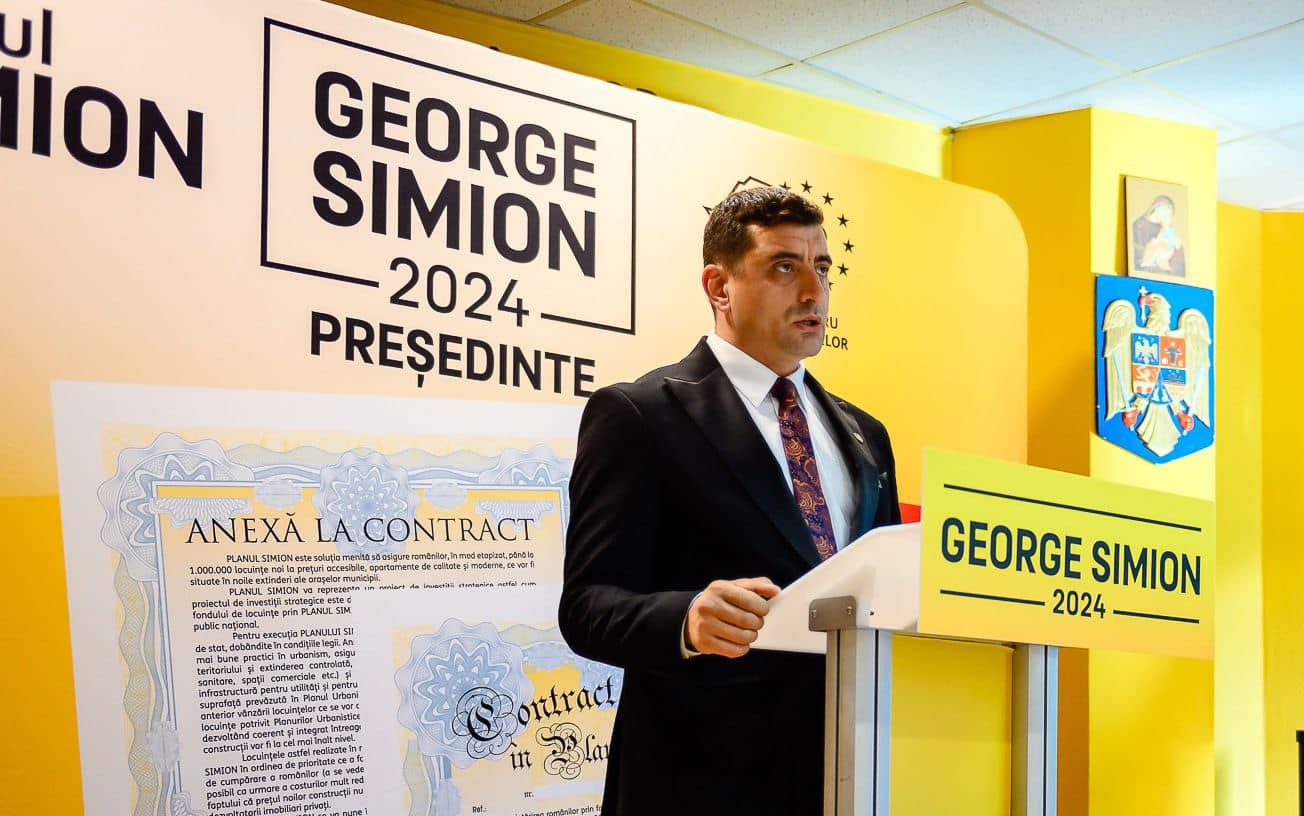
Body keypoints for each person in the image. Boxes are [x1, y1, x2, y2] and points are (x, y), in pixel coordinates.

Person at [558, 186, 901, 814]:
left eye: (822, 267)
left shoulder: (866, 435)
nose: (814, 292)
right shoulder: (640, 414)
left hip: (852, 773)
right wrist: (687, 618)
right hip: (700, 781)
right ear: (719, 287)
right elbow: (587, 606)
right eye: (784, 267)